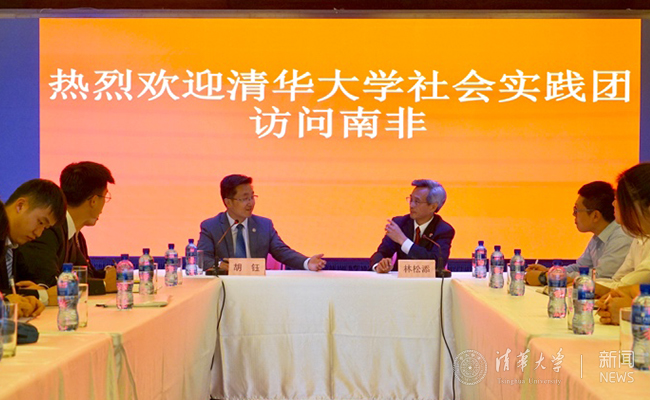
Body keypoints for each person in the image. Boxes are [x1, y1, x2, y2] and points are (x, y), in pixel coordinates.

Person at [14, 162, 117, 298]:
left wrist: (110, 274)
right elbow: (50, 283)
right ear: (93, 200)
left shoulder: (75, 235)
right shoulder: (48, 229)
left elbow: (86, 275)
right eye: (105, 197)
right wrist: (104, 285)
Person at [197, 174, 326, 271]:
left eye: (252, 197)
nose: (250, 203)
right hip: (225, 288)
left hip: (258, 286)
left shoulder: (264, 225)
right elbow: (201, 258)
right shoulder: (211, 227)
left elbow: (282, 251)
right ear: (228, 202)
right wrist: (220, 265)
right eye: (244, 199)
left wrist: (307, 262)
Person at [526, 181, 632, 286]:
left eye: (576, 210)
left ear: (595, 216)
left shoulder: (622, 237)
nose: (573, 214)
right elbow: (579, 267)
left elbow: (600, 277)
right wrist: (551, 271)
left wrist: (547, 277)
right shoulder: (598, 237)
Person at [2, 179, 66, 316]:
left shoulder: (13, 245)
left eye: (45, 228)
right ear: (20, 206)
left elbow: (18, 288)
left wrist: (29, 298)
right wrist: (5, 303)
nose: (39, 233)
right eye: (40, 222)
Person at [597, 163, 650, 324]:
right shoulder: (641, 236)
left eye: (620, 200)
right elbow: (625, 284)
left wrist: (633, 310)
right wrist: (624, 296)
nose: (614, 204)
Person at [370, 179, 455, 273]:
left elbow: (437, 263)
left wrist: (403, 241)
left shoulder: (444, 230)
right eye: (411, 199)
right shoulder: (400, 223)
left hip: (428, 281)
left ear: (433, 207)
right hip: (400, 280)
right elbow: (381, 253)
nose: (411, 205)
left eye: (417, 201)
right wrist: (379, 265)